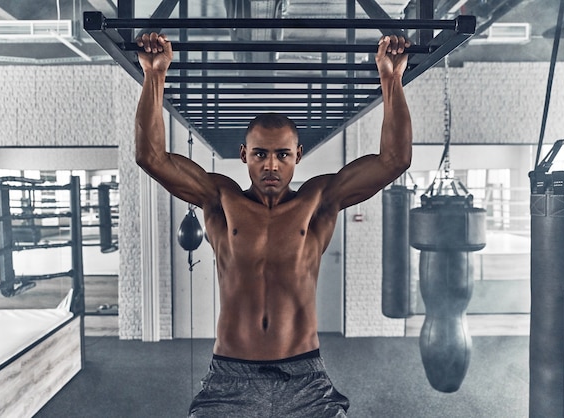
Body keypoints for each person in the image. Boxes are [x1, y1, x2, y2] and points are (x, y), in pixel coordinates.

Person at [135, 32, 412, 417]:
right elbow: (151, 157)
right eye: (260, 154)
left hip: (305, 376)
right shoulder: (221, 200)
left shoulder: (318, 201)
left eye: (282, 154)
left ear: (297, 155)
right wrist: (154, 75)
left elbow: (393, 161)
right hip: (230, 376)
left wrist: (391, 79)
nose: (270, 166)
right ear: (244, 154)